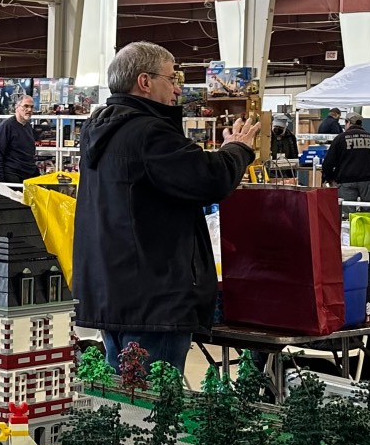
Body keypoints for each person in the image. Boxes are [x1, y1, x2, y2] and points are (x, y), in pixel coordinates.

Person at [72, 41, 260, 372]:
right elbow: (208, 179)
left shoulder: (98, 129)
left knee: (121, 394)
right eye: (172, 78)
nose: (177, 89)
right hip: (153, 297)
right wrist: (238, 149)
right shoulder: (149, 133)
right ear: (144, 81)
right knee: (153, 398)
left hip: (110, 291)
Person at [321, 111, 370, 204]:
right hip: (368, 180)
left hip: (346, 180)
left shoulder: (340, 139)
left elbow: (328, 163)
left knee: (347, 211)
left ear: (348, 122)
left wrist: (329, 179)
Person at [0, 93, 42, 182]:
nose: (29, 109)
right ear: (17, 107)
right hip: (12, 175)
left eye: (31, 107)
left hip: (27, 175)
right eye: (26, 106)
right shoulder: (7, 126)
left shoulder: (28, 126)